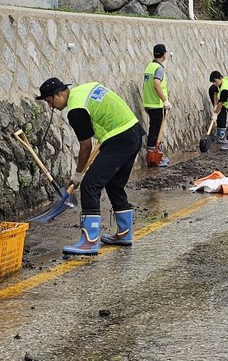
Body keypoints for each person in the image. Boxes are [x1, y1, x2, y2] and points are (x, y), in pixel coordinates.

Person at [37, 77, 144, 254]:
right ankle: (125, 233)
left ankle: (89, 241)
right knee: (114, 183)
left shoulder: (76, 110)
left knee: (90, 185)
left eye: (50, 101)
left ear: (59, 94)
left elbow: (85, 146)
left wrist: (78, 174)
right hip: (133, 132)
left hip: (118, 138)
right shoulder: (84, 89)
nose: (51, 107)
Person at [142, 44, 172, 167]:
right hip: (157, 104)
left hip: (149, 103)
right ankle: (154, 158)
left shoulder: (149, 66)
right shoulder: (158, 69)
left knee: (153, 129)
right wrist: (165, 100)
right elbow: (156, 84)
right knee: (156, 130)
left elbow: (146, 86)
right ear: (164, 54)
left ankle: (154, 155)